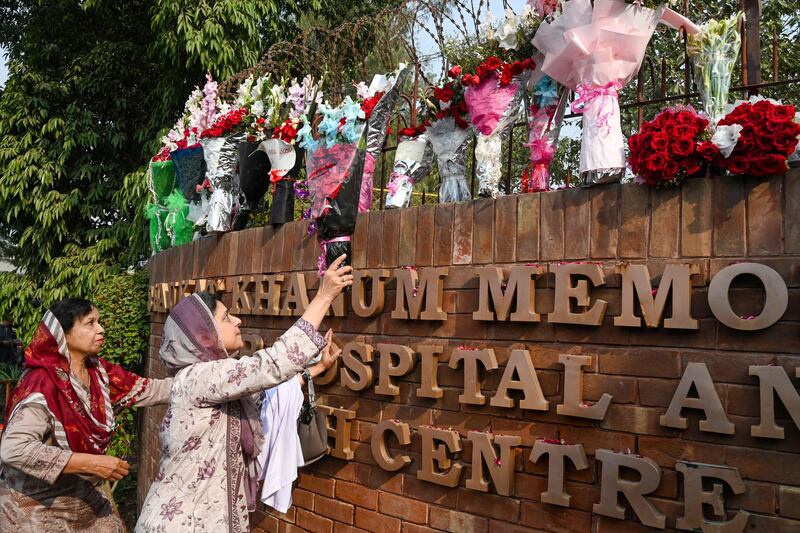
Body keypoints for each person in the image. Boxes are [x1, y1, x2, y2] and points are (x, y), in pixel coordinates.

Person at [136, 254, 352, 533]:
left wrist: (315, 370)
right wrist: (323, 297)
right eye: (226, 317)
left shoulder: (211, 381)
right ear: (205, 334)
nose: (237, 321)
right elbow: (273, 363)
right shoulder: (200, 377)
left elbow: (266, 394)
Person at [0, 298, 174, 531]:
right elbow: (14, 448)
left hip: (82, 503)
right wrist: (92, 464)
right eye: (90, 323)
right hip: (35, 508)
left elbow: (153, 390)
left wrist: (211, 378)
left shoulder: (98, 373)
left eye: (99, 321)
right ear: (64, 334)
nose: (100, 329)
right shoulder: (42, 383)